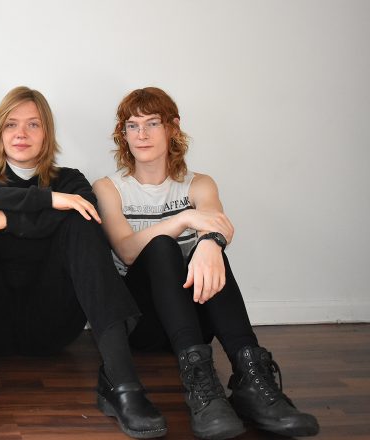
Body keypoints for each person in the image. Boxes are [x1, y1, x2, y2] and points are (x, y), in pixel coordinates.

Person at [0, 86, 167, 438]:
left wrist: (6, 219)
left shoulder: (70, 181)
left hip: (51, 325)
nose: (21, 133)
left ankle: (122, 383)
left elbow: (85, 212)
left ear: (47, 133)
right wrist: (47, 202)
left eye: (33, 124)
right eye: (11, 124)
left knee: (81, 219)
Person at [92, 87, 319, 439]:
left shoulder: (198, 184)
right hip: (143, 323)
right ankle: (203, 391)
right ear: (124, 134)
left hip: (195, 321)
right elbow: (126, 251)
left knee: (213, 251)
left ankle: (253, 380)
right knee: (161, 247)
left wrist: (211, 244)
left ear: (172, 127)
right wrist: (183, 220)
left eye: (152, 123)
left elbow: (217, 223)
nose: (142, 134)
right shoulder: (110, 188)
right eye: (132, 126)